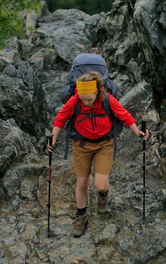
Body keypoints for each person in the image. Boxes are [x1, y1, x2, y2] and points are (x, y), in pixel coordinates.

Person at [47, 71, 149, 237]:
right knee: (82, 182)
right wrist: (53, 137)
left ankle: (103, 195)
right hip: (81, 145)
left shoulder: (107, 100)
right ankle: (81, 215)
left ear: (97, 92)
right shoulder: (75, 101)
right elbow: (60, 118)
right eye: (83, 98)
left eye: (89, 99)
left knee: (100, 184)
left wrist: (138, 131)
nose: (85, 103)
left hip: (104, 144)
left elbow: (124, 115)